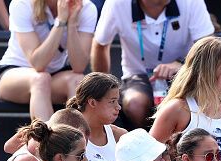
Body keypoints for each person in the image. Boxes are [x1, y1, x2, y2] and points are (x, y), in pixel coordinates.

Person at [91, 0, 214, 129]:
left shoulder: (192, 2)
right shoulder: (117, 3)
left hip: (185, 73)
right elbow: (100, 44)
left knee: (184, 105)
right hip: (137, 75)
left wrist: (182, 65)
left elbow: (208, 48)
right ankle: (148, 143)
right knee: (135, 104)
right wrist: (103, 90)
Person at [0, 0, 97, 121]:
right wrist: (61, 21)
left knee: (78, 81)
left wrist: (72, 24)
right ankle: (45, 138)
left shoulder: (86, 8)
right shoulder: (22, 4)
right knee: (40, 79)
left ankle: (76, 138)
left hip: (56, 75)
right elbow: (38, 63)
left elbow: (79, 66)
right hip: (15, 73)